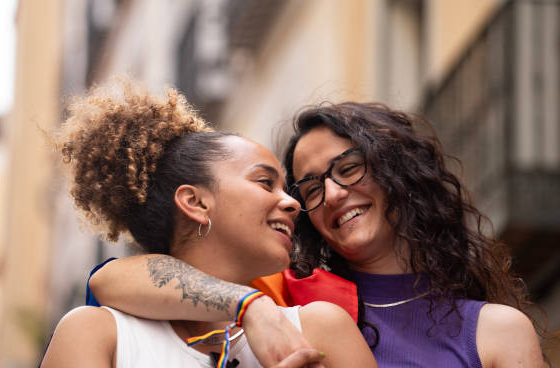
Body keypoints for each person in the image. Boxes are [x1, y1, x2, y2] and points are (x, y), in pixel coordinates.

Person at [86, 100, 546, 367]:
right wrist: (251, 307)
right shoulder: (294, 297)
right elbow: (110, 280)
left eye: (348, 169)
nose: (331, 193)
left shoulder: (493, 331)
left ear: (399, 171)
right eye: (309, 186)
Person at [40, 79, 377, 368]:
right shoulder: (96, 336)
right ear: (196, 202)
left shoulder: (323, 329)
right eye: (263, 182)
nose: (293, 203)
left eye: (287, 189)